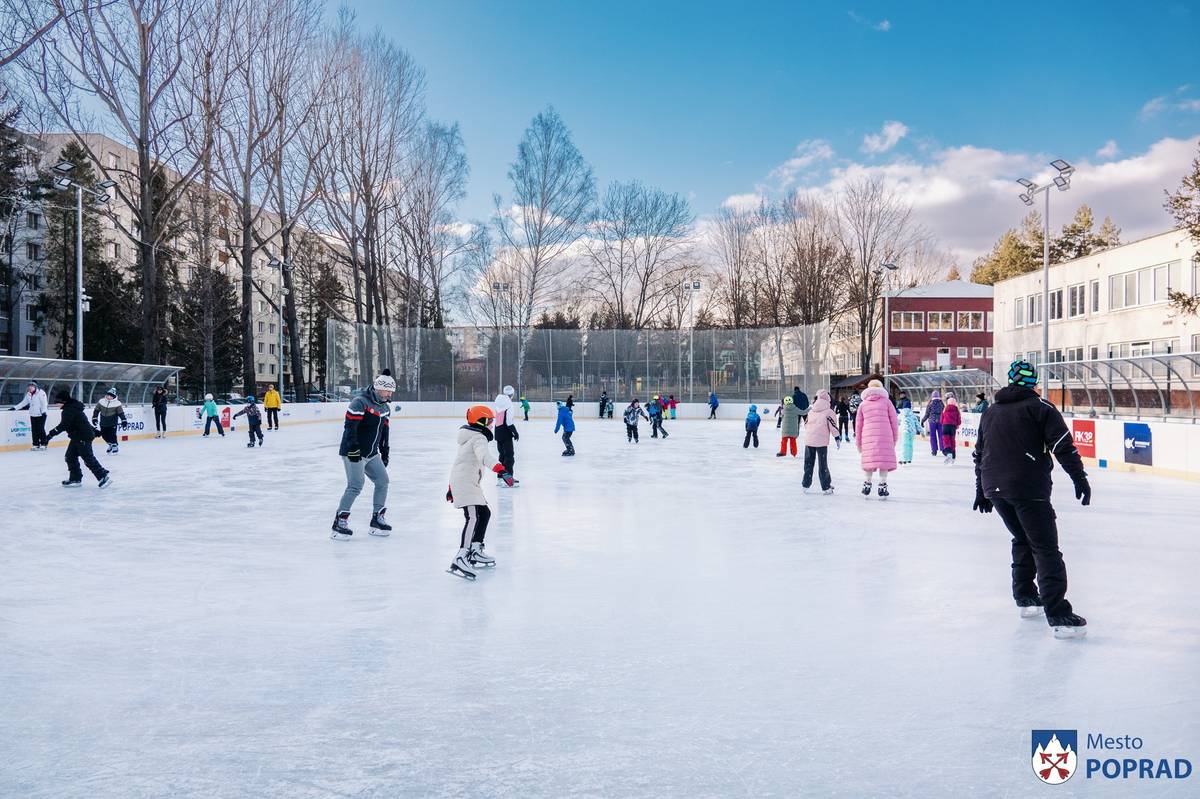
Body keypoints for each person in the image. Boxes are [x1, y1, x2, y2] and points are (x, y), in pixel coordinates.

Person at [973, 360, 1090, 639]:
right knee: (1045, 548)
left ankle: (1026, 598)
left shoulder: (991, 411)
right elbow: (1063, 447)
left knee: (1022, 539)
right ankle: (1059, 615)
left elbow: (980, 453)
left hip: (995, 488)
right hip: (1028, 488)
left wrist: (981, 489)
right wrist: (1079, 478)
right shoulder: (1041, 408)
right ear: (1033, 382)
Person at [445, 405, 515, 580]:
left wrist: (451, 487)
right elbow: (484, 457)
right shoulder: (478, 438)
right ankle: (461, 555)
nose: (491, 424)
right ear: (481, 421)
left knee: (484, 513)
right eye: (489, 421)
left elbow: (459, 463)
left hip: (466, 482)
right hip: (466, 483)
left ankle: (475, 550)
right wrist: (502, 470)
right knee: (473, 517)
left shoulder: (470, 436)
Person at [331, 374, 394, 540]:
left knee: (382, 481)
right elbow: (350, 427)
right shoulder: (360, 402)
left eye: (391, 392)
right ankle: (339, 522)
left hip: (372, 454)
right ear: (379, 388)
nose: (390, 395)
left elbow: (384, 431)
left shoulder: (385, 407)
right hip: (354, 452)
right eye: (388, 391)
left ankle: (377, 519)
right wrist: (353, 447)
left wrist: (385, 451)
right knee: (355, 485)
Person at [45, 388, 111, 488]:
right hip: (77, 436)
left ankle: (103, 476)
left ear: (63, 401)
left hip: (82, 437)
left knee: (87, 458)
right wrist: (94, 431)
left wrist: (50, 435)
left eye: (57, 402)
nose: (56, 404)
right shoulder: (73, 408)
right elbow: (83, 422)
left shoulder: (69, 410)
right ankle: (75, 479)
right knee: (70, 457)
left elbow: (64, 425)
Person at [856, 378, 898, 498]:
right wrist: (894, 439)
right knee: (884, 462)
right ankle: (882, 485)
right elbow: (894, 421)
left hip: (868, 436)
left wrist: (859, 443)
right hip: (885, 436)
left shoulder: (863, 404)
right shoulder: (887, 402)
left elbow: (858, 425)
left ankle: (867, 484)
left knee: (870, 461)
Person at [802, 389, 840, 493]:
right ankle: (826, 487)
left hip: (809, 441)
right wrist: (837, 437)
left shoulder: (811, 410)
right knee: (822, 464)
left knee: (808, 463)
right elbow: (833, 426)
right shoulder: (829, 411)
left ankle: (805, 485)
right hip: (821, 442)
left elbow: (805, 424)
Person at [493, 385, 520, 487]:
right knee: (509, 457)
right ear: (512, 394)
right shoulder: (509, 405)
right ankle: (508, 479)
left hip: (498, 432)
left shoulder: (498, 402)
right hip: (506, 433)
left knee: (502, 456)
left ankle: (500, 478)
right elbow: (509, 422)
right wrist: (515, 432)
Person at [10, 381, 49, 450]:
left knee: (40, 429)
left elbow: (44, 403)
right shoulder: (28, 394)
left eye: (32, 386)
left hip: (41, 414)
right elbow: (23, 403)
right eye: (29, 386)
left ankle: (44, 443)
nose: (30, 387)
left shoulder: (41, 393)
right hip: (33, 414)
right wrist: (15, 408)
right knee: (34, 430)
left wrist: (44, 412)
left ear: (35, 387)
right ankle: (36, 444)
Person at [91, 388, 127, 455]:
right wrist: (94, 418)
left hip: (112, 422)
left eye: (111, 396)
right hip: (103, 422)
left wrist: (124, 420)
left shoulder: (117, 403)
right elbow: (96, 410)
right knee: (104, 435)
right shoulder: (101, 401)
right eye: (108, 395)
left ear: (114, 396)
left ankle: (115, 446)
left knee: (112, 435)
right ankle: (110, 444)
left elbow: (121, 413)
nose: (109, 397)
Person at [921, 390, 945, 456]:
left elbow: (927, 414)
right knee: (941, 436)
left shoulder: (930, 403)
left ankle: (934, 450)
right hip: (940, 421)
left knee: (933, 436)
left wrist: (922, 421)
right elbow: (943, 412)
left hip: (932, 421)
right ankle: (943, 449)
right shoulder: (941, 403)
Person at [940, 394, 962, 463]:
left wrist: (943, 423)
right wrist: (957, 424)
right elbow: (959, 420)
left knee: (946, 440)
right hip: (953, 427)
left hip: (945, 426)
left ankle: (948, 453)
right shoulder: (956, 410)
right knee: (952, 440)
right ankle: (953, 456)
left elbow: (941, 419)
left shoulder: (945, 409)